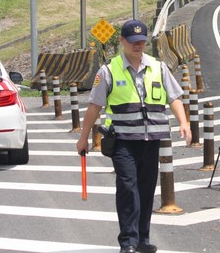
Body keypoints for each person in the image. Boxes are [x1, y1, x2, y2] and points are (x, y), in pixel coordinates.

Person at [76, 19, 192, 253]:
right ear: (122, 42)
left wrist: (184, 122)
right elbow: (94, 106)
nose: (137, 46)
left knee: (146, 190)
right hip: (123, 142)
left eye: (141, 41)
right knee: (128, 188)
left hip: (151, 140)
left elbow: (174, 98)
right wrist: (84, 136)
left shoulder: (158, 67)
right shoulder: (109, 70)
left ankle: (142, 239)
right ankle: (128, 242)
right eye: (132, 42)